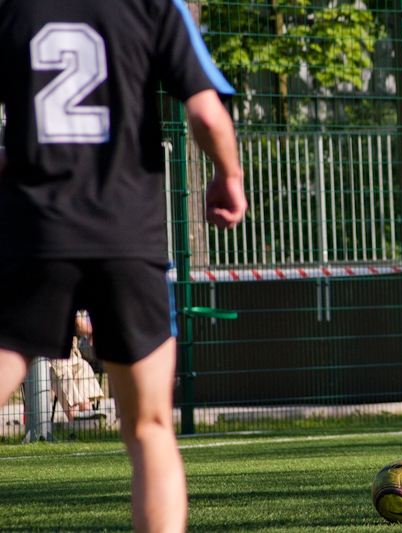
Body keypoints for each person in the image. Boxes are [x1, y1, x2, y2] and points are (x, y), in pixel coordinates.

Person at [0, 2, 248, 532]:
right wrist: (228, 175)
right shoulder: (153, 4)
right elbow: (206, 113)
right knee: (149, 428)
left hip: (36, 232)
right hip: (127, 233)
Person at [50, 311, 105, 422]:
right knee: (62, 372)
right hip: (50, 356)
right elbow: (81, 327)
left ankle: (86, 410)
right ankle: (74, 419)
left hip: (70, 354)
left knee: (83, 366)